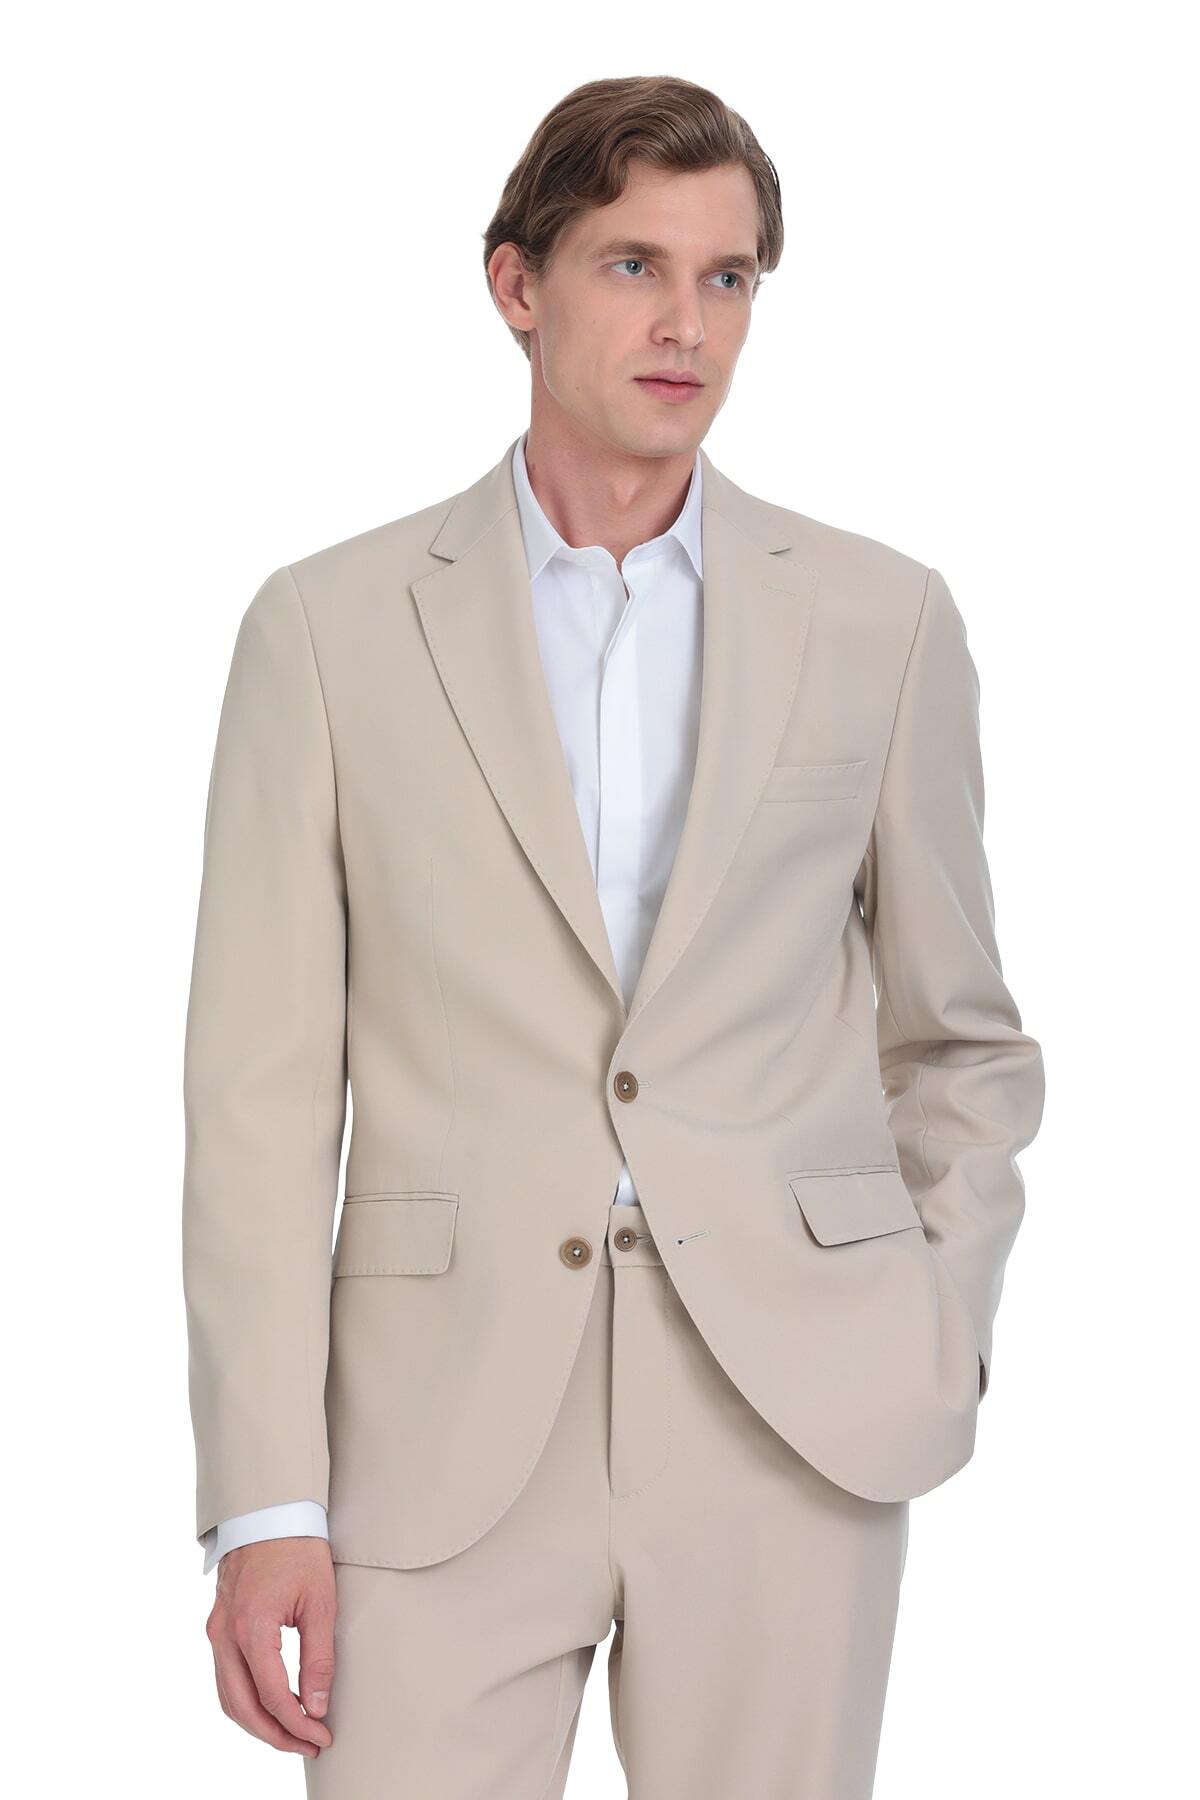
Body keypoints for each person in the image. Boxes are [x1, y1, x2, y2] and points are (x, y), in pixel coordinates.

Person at [182, 72, 1046, 1799]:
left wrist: (929, 1326)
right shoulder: (328, 632)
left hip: (789, 1420)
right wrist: (265, 1497)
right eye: (635, 265)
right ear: (518, 283)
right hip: (432, 1437)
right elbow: (257, 1096)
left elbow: (959, 1039)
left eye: (728, 278)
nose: (687, 326)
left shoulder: (881, 621)